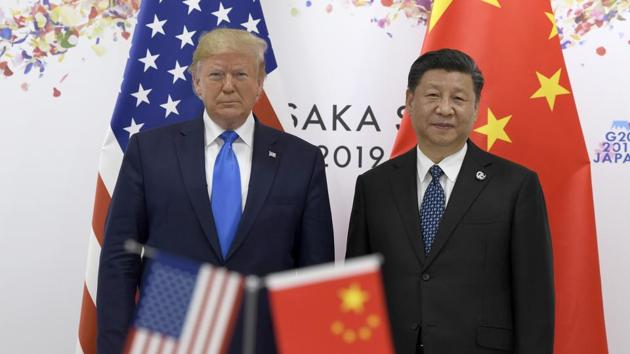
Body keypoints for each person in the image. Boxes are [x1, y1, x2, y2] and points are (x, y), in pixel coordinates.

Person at [97, 28, 334, 354]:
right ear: (196, 82)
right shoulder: (148, 152)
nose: (228, 86)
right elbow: (118, 260)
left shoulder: (302, 161)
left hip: (264, 341)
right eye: (216, 74)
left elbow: (315, 274)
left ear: (260, 83)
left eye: (240, 74)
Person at [346, 49, 554, 354]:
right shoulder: (374, 185)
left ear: (476, 107)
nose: (445, 109)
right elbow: (356, 292)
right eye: (432, 95)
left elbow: (535, 301)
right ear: (410, 100)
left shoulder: (517, 186)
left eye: (458, 98)